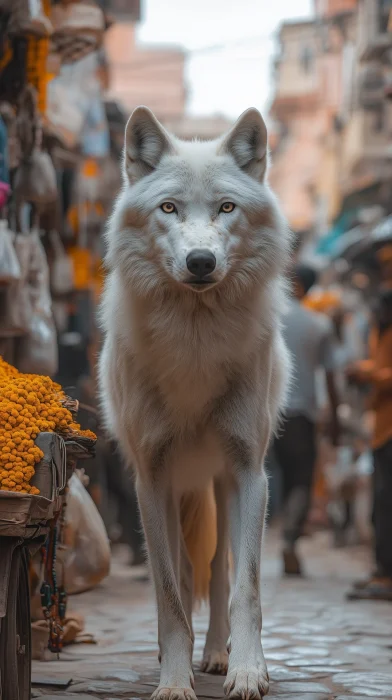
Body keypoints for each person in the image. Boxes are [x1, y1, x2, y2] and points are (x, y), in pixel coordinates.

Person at [273, 264, 340, 575]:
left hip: (267, 413)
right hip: (303, 414)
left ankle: (280, 532)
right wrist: (335, 417)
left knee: (277, 476)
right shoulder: (320, 324)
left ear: (295, 284)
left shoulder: (267, 318)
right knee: (301, 478)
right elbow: (330, 375)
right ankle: (290, 537)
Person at [346, 288, 392, 601]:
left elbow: (382, 372)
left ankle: (386, 575)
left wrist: (367, 373)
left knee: (386, 504)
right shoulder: (379, 331)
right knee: (381, 505)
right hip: (381, 426)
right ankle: (382, 570)